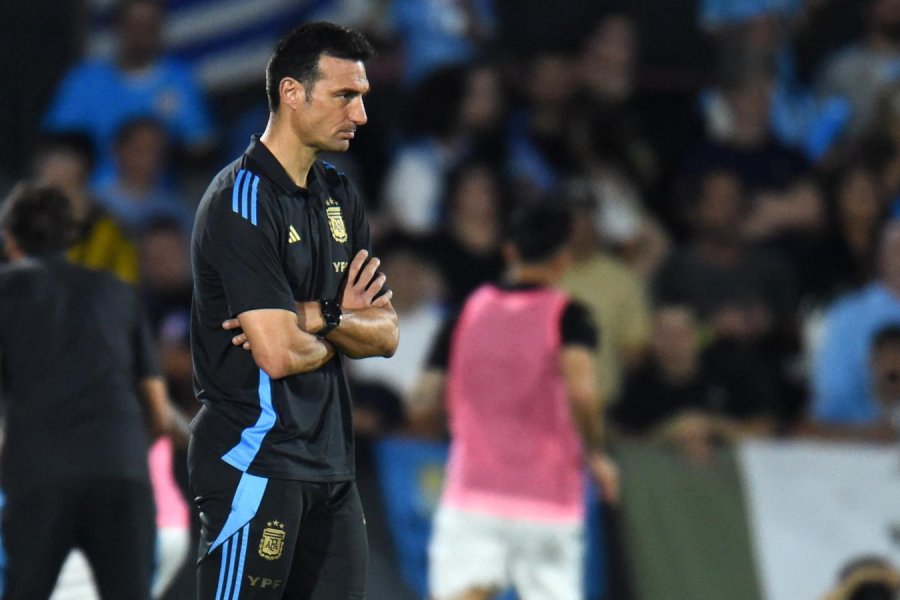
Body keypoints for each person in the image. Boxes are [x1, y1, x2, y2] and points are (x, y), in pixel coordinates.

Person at [188, 22, 399, 600]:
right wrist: (338, 314)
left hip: (332, 466)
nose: (359, 115)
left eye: (361, 98)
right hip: (256, 462)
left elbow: (385, 334)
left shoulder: (340, 193)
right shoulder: (241, 198)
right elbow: (278, 354)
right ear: (291, 93)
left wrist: (309, 314)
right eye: (344, 96)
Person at [410, 203, 619, 600]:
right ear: (563, 260)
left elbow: (422, 400)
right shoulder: (571, 317)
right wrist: (597, 454)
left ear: (509, 251)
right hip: (548, 502)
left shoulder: (464, 316)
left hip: (475, 497)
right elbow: (582, 393)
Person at [0, 183, 179, 599]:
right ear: (71, 236)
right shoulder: (120, 292)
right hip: (122, 472)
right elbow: (157, 410)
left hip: (40, 472)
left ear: (10, 236)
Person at [42, 0, 214, 181]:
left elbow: (200, 144)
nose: (141, 34)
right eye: (135, 25)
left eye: (149, 26)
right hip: (94, 197)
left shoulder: (180, 79)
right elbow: (57, 145)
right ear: (118, 28)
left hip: (160, 201)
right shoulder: (84, 79)